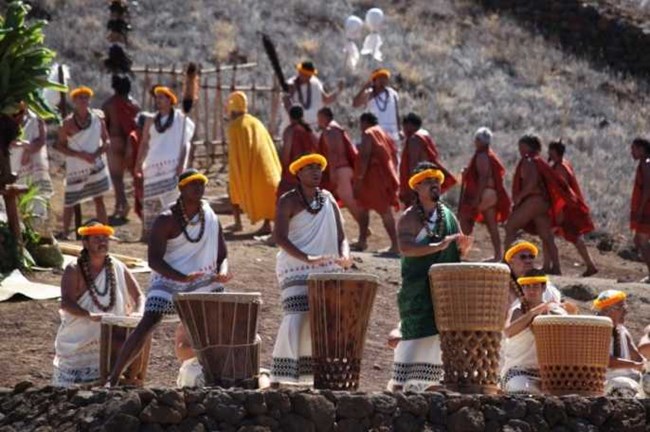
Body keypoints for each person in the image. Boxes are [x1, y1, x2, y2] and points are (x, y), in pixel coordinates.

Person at [108, 169, 231, 386]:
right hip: (168, 280)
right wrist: (181, 278)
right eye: (193, 184)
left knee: (212, 326)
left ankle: (213, 378)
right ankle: (114, 377)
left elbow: (222, 255)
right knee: (149, 320)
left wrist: (221, 272)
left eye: (201, 184)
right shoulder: (166, 219)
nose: (198, 188)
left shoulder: (210, 217)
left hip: (203, 280)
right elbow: (154, 261)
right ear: (182, 189)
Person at [388, 163, 471, 392]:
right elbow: (405, 248)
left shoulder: (448, 216)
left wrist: (463, 247)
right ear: (417, 188)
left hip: (443, 290)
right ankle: (400, 386)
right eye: (427, 181)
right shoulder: (409, 218)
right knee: (413, 334)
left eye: (436, 181)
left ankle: (430, 385)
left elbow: (458, 252)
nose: (434, 184)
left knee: (438, 336)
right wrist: (438, 245)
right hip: (417, 289)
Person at [270, 154, 351, 386]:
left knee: (324, 321)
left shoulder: (328, 199)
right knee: (297, 317)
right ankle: (282, 376)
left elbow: (341, 236)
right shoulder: (288, 200)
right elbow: (280, 237)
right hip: (295, 268)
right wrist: (307, 258)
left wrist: (344, 255)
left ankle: (318, 376)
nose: (316, 172)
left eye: (319, 168)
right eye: (309, 168)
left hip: (327, 267)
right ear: (299, 173)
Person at [53, 221, 142, 387]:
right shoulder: (74, 269)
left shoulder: (118, 266)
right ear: (85, 243)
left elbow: (139, 296)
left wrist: (138, 312)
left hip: (112, 341)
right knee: (70, 392)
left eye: (105, 239)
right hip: (79, 342)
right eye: (96, 239)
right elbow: (66, 303)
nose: (102, 242)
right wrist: (90, 315)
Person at [504, 134, 582, 275]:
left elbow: (532, 183)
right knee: (546, 236)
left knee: (510, 227)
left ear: (529, 146)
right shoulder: (538, 161)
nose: (520, 149)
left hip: (533, 200)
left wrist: (520, 197)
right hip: (543, 202)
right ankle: (556, 268)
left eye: (522, 146)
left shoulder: (528, 161)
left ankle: (506, 264)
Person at [134, 86, 195, 240]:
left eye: (162, 97)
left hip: (172, 168)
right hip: (152, 168)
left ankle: (174, 235)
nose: (158, 100)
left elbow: (186, 144)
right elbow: (143, 143)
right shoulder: (150, 120)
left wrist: (181, 165)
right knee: (152, 205)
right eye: (157, 97)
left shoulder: (181, 119)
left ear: (170, 100)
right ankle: (148, 236)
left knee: (173, 204)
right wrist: (138, 164)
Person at [55, 86, 111, 239]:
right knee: (70, 200)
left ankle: (105, 232)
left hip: (94, 163)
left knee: (99, 198)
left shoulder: (97, 119)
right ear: (74, 101)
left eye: (86, 97)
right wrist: (79, 154)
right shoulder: (67, 123)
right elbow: (59, 145)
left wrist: (96, 154)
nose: (83, 100)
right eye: (80, 98)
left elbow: (106, 141)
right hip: (76, 166)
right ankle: (65, 232)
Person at [501, 269, 566, 394]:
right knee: (521, 389)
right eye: (527, 287)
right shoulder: (517, 310)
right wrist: (533, 312)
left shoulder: (555, 311)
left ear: (543, 288)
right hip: (518, 372)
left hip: (548, 375)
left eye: (535, 286)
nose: (531, 290)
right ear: (523, 289)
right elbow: (509, 332)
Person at [226, 91, 281, 235]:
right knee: (266, 195)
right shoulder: (256, 122)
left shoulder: (235, 127)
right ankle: (266, 224)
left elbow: (235, 154)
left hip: (248, 168)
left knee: (232, 189)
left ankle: (238, 223)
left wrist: (237, 174)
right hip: (267, 169)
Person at [459, 127, 511, 261]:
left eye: (476, 139)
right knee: (491, 224)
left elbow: (483, 177)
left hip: (485, 194)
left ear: (481, 141)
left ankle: (459, 252)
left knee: (465, 218)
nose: (475, 142)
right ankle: (498, 255)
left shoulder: (482, 156)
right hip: (490, 193)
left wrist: (477, 198)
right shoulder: (487, 154)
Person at [548, 140, 598, 276]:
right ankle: (590, 265)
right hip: (568, 206)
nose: (549, 154)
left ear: (557, 152)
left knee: (552, 235)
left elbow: (562, 191)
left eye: (551, 152)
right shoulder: (564, 164)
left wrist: (559, 212)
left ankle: (555, 267)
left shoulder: (560, 167)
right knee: (575, 237)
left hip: (566, 207)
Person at [353, 112, 400, 254]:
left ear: (365, 122)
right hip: (380, 177)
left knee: (384, 211)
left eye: (361, 123)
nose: (360, 127)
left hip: (373, 178)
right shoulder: (382, 133)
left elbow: (365, 155)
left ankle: (396, 245)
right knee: (362, 208)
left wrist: (359, 178)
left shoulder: (369, 133)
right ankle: (362, 241)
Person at [316, 107, 364, 238]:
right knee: (343, 202)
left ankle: (364, 232)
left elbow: (333, 152)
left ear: (325, 117)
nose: (317, 121)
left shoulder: (330, 130)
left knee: (350, 202)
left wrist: (332, 172)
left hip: (339, 170)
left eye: (319, 117)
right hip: (344, 168)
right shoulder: (337, 129)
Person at [102, 75, 140, 223]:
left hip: (115, 141)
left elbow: (104, 125)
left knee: (117, 178)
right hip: (132, 142)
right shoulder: (135, 105)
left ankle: (122, 204)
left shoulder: (109, 104)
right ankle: (129, 204)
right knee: (134, 176)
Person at [593, 290, 646, 397]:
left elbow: (636, 356)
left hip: (630, 379)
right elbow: (605, 361)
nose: (626, 311)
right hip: (607, 383)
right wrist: (635, 365)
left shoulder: (622, 330)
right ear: (607, 310)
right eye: (621, 307)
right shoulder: (596, 330)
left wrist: (645, 365)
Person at [399, 113, 457, 207]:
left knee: (416, 214)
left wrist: (412, 187)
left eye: (404, 126)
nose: (403, 130)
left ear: (409, 125)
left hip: (420, 182)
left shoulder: (414, 139)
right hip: (430, 179)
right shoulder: (424, 134)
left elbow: (413, 165)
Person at [8, 106, 53, 220]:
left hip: (33, 168)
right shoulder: (4, 119)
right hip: (10, 166)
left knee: (36, 200)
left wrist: (27, 147)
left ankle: (37, 229)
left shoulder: (35, 119)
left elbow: (41, 141)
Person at [281, 61, 343, 130]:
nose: (307, 77)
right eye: (304, 74)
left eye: (309, 75)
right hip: (295, 126)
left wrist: (338, 91)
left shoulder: (315, 84)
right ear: (299, 72)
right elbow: (286, 103)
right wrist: (297, 120)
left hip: (313, 127)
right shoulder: (291, 85)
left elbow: (326, 100)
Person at [504, 240, 562, 308]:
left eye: (531, 257)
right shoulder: (502, 285)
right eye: (523, 257)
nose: (528, 261)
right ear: (511, 262)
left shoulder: (544, 284)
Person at [277, 105, 319, 198]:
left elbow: (286, 154)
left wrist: (284, 168)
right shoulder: (309, 130)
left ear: (290, 116)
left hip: (295, 171)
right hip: (309, 169)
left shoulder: (290, 130)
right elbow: (317, 147)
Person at [352, 68, 401, 144]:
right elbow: (355, 104)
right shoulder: (369, 94)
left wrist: (399, 130)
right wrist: (364, 87)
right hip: (375, 135)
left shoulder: (393, 94)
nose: (383, 81)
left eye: (385, 79)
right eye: (380, 79)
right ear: (374, 81)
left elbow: (396, 114)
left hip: (391, 135)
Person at [630, 138, 650, 283]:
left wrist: (641, 209)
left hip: (646, 209)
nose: (632, 152)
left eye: (634, 149)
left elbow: (647, 189)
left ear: (642, 149)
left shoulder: (646, 164)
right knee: (639, 240)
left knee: (642, 241)